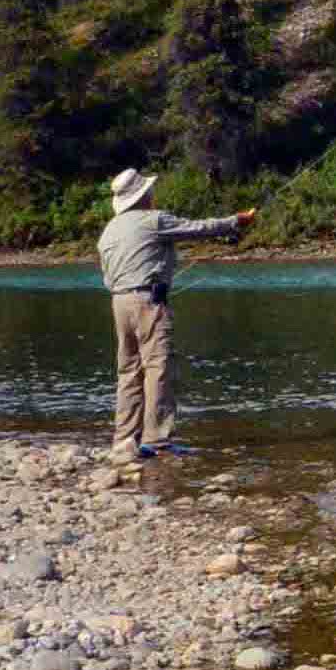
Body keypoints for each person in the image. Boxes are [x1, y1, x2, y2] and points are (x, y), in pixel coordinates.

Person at [96, 167, 254, 462]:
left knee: (128, 372)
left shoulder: (109, 231)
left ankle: (124, 440)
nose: (152, 194)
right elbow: (197, 228)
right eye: (149, 191)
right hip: (148, 302)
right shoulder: (154, 220)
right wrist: (236, 221)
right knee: (158, 368)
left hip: (119, 302)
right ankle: (158, 441)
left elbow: (107, 276)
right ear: (144, 196)